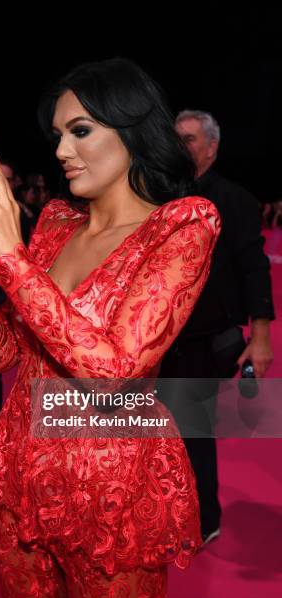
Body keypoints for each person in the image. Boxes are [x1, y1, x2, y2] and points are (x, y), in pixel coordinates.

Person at [0, 58, 221, 598]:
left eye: (80, 131)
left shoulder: (182, 226)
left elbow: (114, 373)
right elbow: (1, 355)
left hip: (113, 496)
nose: (61, 152)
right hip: (24, 479)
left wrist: (12, 257)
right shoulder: (55, 223)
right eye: (57, 136)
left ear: (133, 129)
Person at [157, 110, 274, 546]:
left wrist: (260, 337)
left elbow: (254, 269)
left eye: (188, 139)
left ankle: (204, 518)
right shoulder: (161, 196)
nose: (180, 145)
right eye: (176, 139)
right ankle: (169, 507)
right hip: (160, 337)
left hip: (205, 340)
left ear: (212, 146)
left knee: (194, 431)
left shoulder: (235, 200)